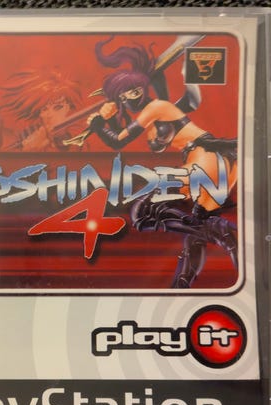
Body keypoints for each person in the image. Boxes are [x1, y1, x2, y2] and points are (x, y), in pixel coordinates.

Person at [87, 37, 238, 288]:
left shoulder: (156, 108)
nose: (132, 97)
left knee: (141, 213)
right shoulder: (159, 114)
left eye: (135, 91)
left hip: (205, 160)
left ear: (143, 89)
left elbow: (117, 141)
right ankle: (183, 284)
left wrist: (98, 125)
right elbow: (134, 131)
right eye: (126, 95)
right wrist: (109, 118)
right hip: (214, 163)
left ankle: (218, 231)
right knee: (197, 230)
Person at [0, 68, 83, 152]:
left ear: (68, 108)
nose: (50, 115)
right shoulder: (24, 136)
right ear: (39, 114)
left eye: (58, 107)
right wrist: (27, 150)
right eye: (44, 109)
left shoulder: (78, 132)